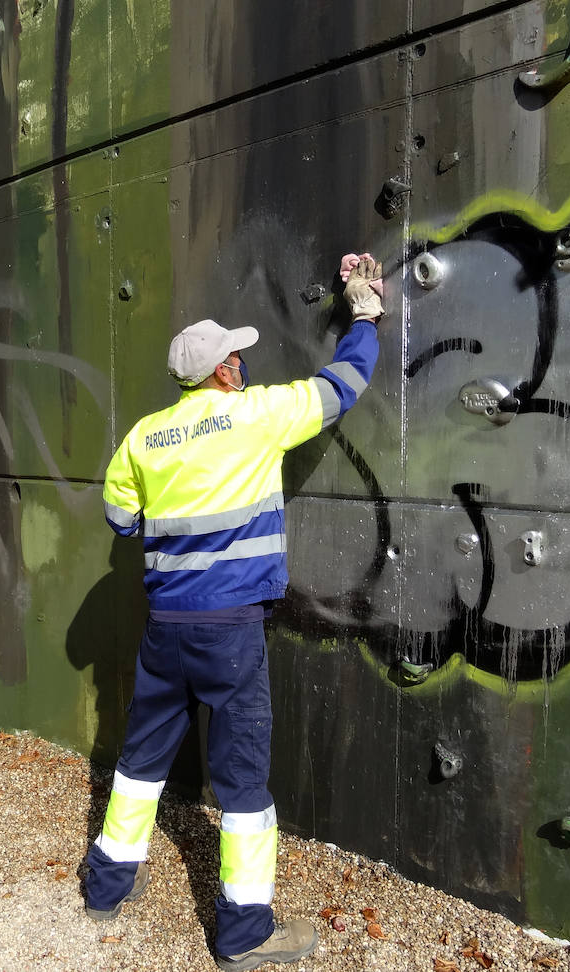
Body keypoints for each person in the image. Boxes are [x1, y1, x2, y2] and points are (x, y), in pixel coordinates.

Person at [82, 253, 385, 970]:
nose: (243, 362)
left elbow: (120, 517)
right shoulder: (255, 416)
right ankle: (244, 933)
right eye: (237, 356)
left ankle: (106, 887)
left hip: (167, 630)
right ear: (220, 371)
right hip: (231, 631)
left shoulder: (144, 438)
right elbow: (340, 389)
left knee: (140, 759)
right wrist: (365, 317)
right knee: (243, 779)